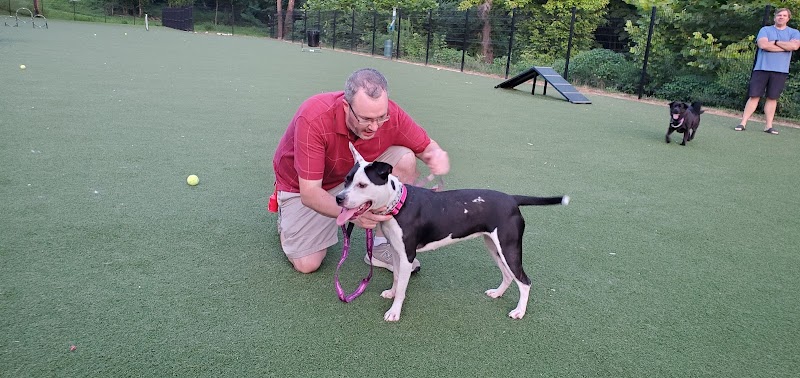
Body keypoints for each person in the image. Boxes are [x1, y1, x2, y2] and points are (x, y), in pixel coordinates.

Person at [272, 68, 450, 273]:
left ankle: (382, 246)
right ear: (346, 107)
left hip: (352, 175)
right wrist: (353, 214)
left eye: (380, 118)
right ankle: (286, 218)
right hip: (306, 184)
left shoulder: (390, 115)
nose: (374, 127)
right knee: (307, 264)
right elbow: (310, 193)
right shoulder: (314, 117)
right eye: (365, 119)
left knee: (405, 158)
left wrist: (436, 155)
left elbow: (427, 146)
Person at [735, 8, 800, 135]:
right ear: (775, 17)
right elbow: (763, 45)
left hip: (780, 70)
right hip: (761, 68)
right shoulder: (765, 30)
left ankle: (768, 126)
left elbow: (794, 46)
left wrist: (775, 42)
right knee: (754, 96)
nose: (781, 17)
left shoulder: (794, 32)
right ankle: (742, 123)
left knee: (772, 98)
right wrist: (784, 47)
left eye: (784, 15)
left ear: (788, 18)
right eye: (779, 15)